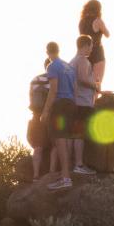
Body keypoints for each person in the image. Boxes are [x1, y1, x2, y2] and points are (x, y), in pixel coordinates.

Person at [38, 41, 77, 190]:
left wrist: (46, 111)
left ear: (47, 52)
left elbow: (53, 90)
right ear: (58, 50)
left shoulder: (52, 66)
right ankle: (64, 175)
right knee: (65, 138)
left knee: (59, 140)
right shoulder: (69, 67)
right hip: (71, 104)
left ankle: (66, 177)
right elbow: (75, 89)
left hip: (60, 105)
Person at [68, 35, 99, 176]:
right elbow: (82, 78)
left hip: (75, 102)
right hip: (83, 102)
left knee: (75, 134)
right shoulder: (81, 60)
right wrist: (96, 86)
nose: (92, 49)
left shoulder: (72, 61)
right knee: (80, 135)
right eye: (91, 46)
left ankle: (73, 164)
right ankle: (79, 164)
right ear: (85, 45)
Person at [78, 0, 111, 89]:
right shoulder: (98, 21)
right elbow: (107, 34)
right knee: (97, 81)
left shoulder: (81, 22)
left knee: (86, 82)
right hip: (97, 52)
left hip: (84, 53)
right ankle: (95, 102)